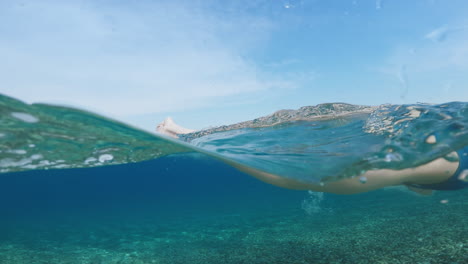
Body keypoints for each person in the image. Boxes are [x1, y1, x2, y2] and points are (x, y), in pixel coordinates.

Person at [156, 118, 468, 195]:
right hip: (440, 164)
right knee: (301, 175)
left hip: (440, 162)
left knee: (303, 168)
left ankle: (185, 132)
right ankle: (186, 134)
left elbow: (421, 188)